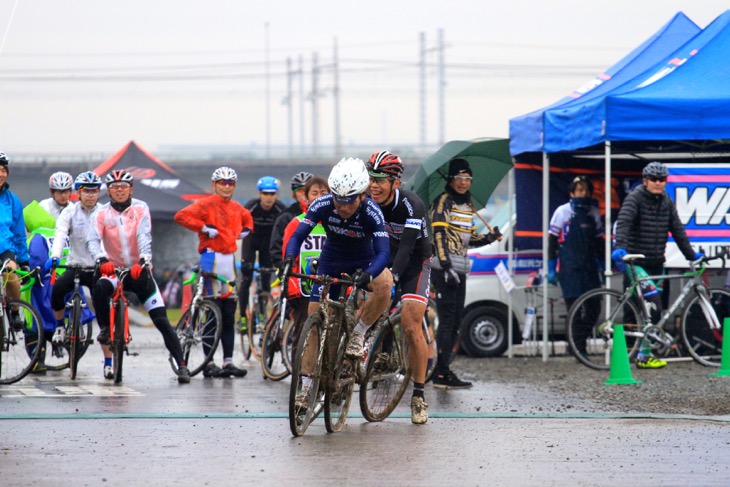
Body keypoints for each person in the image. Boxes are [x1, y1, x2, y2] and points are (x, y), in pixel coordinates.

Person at [284, 157, 393, 404]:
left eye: (349, 201)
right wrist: (289, 256)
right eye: (338, 199)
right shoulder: (323, 203)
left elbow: (384, 253)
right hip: (331, 260)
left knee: (385, 284)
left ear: (362, 196)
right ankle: (307, 386)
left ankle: (359, 333)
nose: (342, 206)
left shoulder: (372, 211)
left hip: (365, 260)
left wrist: (368, 275)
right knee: (313, 325)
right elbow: (300, 234)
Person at [87, 169, 191, 383]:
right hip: (113, 270)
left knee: (161, 320)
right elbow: (93, 240)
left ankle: (181, 365)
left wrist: (143, 260)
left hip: (138, 270)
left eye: (124, 187)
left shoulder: (141, 207)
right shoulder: (101, 213)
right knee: (99, 287)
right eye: (115, 187)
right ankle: (106, 329)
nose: (119, 191)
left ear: (131, 189)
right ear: (109, 190)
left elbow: (144, 235)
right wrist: (100, 259)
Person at [612, 161, 702, 369]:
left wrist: (691, 254)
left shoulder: (666, 202)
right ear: (645, 181)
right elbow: (624, 223)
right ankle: (626, 355)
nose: (658, 183)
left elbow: (678, 231)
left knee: (653, 313)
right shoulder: (634, 198)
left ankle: (644, 356)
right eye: (653, 179)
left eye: (662, 179)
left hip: (656, 262)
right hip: (635, 262)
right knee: (645, 307)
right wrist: (620, 247)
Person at [366, 150, 432, 424]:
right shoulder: (366, 202)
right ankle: (374, 352)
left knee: (409, 323)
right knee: (364, 302)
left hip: (416, 261)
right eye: (371, 178)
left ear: (395, 182)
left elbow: (407, 248)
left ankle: (418, 393)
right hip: (385, 255)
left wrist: (393, 275)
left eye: (380, 180)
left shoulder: (412, 205)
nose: (374, 185)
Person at [174, 166, 254, 378]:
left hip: (229, 260)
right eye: (222, 183)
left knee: (229, 313)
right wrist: (202, 227)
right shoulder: (204, 203)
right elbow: (181, 216)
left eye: (230, 183)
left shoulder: (237, 207)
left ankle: (228, 361)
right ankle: (209, 363)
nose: (226, 187)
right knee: (212, 312)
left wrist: (247, 230)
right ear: (214, 185)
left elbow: (248, 220)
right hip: (211, 257)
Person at [430, 158, 499, 389]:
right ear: (451, 179)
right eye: (459, 178)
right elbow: (438, 235)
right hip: (445, 269)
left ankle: (445, 369)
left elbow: (469, 238)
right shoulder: (443, 202)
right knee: (448, 321)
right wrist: (446, 266)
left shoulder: (467, 205)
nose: (463, 182)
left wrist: (489, 237)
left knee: (457, 320)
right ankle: (440, 373)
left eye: (467, 178)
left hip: (461, 267)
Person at [43, 171, 102, 369]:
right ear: (79, 193)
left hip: (96, 267)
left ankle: (109, 361)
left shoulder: (103, 212)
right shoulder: (70, 212)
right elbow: (60, 234)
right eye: (87, 191)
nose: (91, 195)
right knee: (57, 291)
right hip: (74, 265)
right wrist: (55, 256)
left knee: (103, 305)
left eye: (95, 191)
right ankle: (60, 327)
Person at [547, 175, 604, 359]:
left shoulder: (593, 212)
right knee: (575, 310)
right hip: (569, 268)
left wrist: (603, 264)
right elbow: (552, 241)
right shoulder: (562, 212)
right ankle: (578, 349)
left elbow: (599, 242)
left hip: (589, 268)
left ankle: (578, 342)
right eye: (580, 190)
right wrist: (550, 266)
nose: (583, 193)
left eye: (586, 190)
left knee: (595, 307)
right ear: (572, 192)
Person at [280, 176, 329, 350]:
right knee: (303, 335)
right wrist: (292, 288)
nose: (319, 196)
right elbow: (287, 256)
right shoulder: (297, 223)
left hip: (330, 287)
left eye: (324, 193)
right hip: (303, 288)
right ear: (306, 198)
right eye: (314, 193)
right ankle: (300, 375)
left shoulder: (334, 223)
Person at [239, 176, 287, 333]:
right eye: (265, 194)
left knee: (266, 282)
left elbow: (284, 233)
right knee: (246, 278)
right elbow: (243, 230)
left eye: (272, 194)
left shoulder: (280, 208)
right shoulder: (251, 207)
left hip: (268, 245)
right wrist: (246, 261)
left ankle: (261, 313)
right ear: (260, 194)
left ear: (276, 195)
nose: (268, 198)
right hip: (251, 242)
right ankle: (243, 317)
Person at [0, 152, 32, 330]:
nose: (0, 174)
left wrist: (25, 261)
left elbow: (20, 235)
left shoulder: (13, 201)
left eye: (3, 170)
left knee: (11, 273)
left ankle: (14, 312)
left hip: (5, 249)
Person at [269, 171, 314, 270]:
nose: (304, 194)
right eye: (300, 190)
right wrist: (283, 267)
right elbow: (276, 246)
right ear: (294, 193)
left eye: (308, 190)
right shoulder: (285, 216)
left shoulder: (325, 214)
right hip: (294, 270)